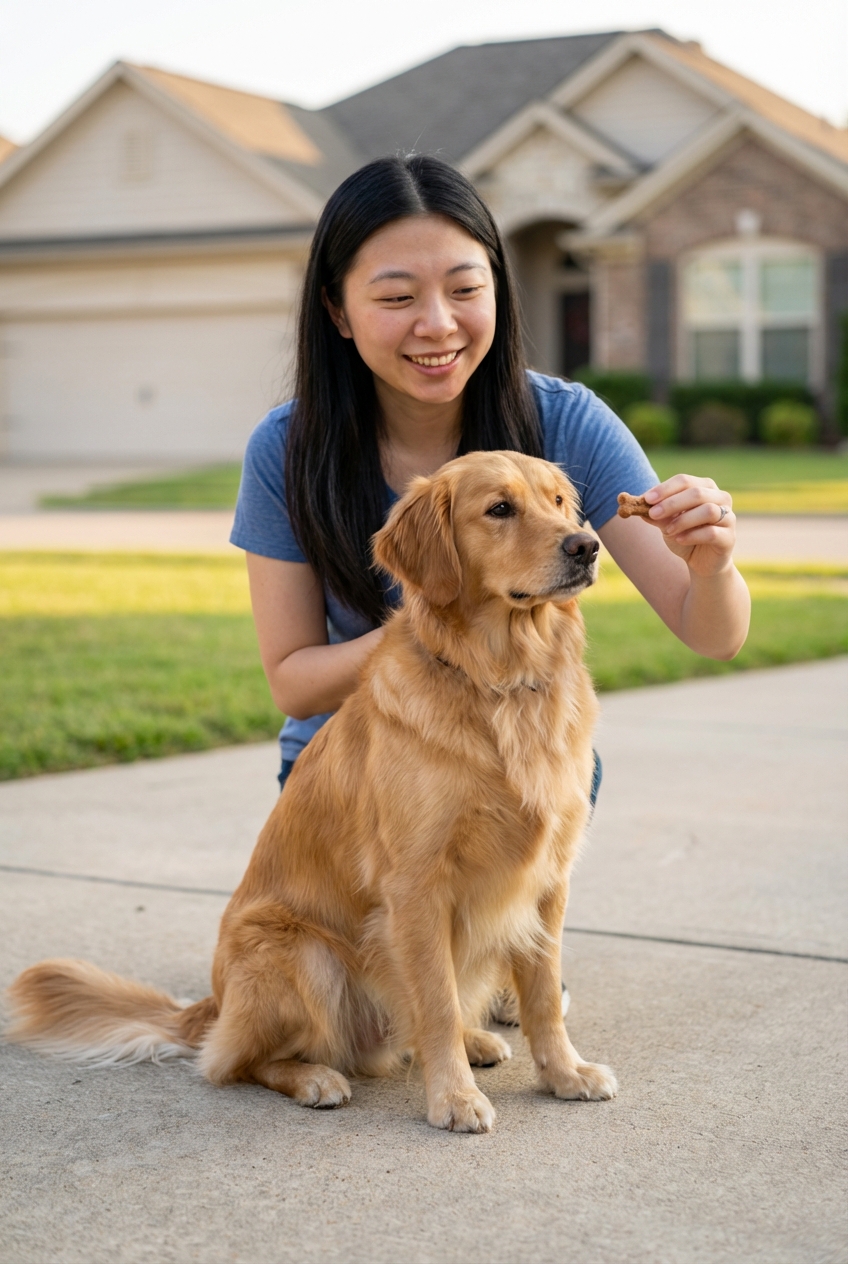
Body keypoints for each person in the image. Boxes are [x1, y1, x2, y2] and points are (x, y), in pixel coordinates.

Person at [230, 154, 751, 1017]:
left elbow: (712, 631)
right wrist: (442, 623)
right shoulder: (288, 448)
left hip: (525, 754)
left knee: (542, 785)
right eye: (397, 297)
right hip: (360, 780)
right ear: (338, 312)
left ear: (499, 292)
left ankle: (492, 954)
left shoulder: (566, 423)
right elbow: (291, 676)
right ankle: (449, 967)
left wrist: (714, 561)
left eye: (465, 288)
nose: (438, 324)